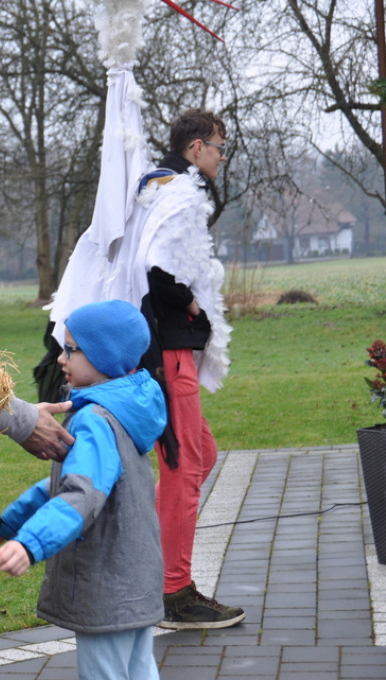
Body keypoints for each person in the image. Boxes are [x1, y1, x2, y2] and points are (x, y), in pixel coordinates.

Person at [0, 299, 166, 680]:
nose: (61, 358)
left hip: (107, 585)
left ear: (103, 357)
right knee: (139, 670)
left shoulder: (94, 419)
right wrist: (10, 524)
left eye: (71, 349)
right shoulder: (126, 408)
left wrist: (30, 543)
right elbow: (63, 485)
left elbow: (80, 494)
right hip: (136, 580)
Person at [130, 108, 243, 629]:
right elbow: (156, 271)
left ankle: (151, 568)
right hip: (168, 350)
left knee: (200, 455)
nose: (222, 156)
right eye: (219, 146)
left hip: (167, 348)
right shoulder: (178, 191)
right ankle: (174, 591)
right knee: (182, 466)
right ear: (196, 147)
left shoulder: (158, 185)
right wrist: (193, 305)